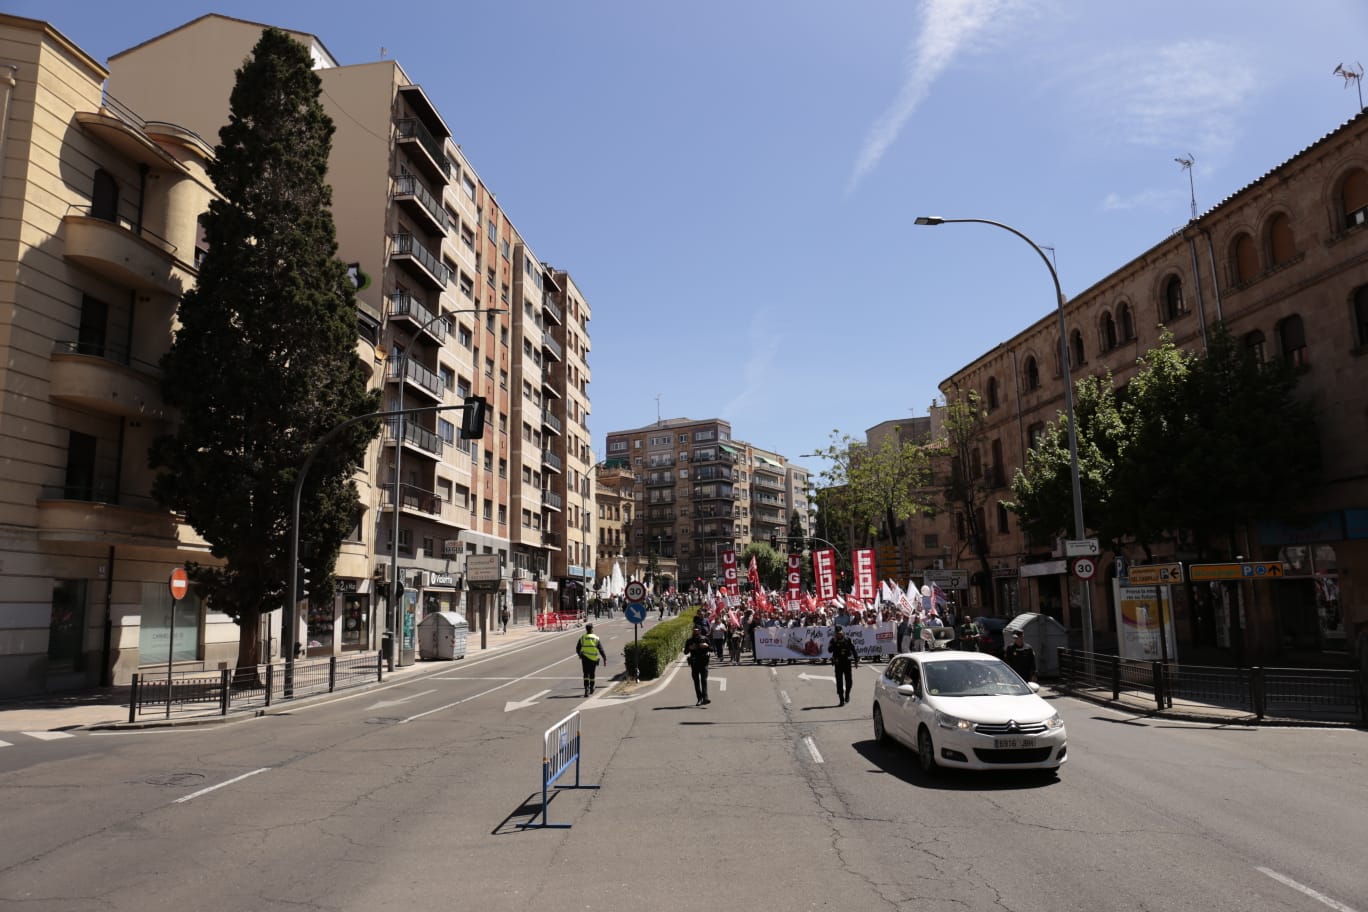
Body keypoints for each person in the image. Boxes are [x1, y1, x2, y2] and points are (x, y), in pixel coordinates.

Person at [827, 625, 861, 706]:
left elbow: (853, 650)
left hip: (847, 663)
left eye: (840, 633)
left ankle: (847, 694)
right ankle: (841, 699)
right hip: (838, 663)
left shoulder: (848, 639)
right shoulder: (833, 640)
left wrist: (856, 660)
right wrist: (834, 642)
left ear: (842, 632)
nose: (839, 634)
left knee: (849, 681)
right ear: (835, 633)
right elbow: (829, 650)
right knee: (839, 682)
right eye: (837, 633)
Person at [684, 623, 713, 705]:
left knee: (704, 680)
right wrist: (690, 648)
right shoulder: (689, 640)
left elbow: (712, 649)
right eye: (694, 630)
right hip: (694, 662)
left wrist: (706, 646)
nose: (696, 632)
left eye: (697, 630)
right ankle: (699, 698)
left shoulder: (705, 638)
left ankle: (705, 698)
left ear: (700, 631)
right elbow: (685, 652)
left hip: (704, 662)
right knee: (696, 681)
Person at [576, 623, 607, 697]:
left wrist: (580, 654)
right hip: (593, 659)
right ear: (592, 629)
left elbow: (577, 648)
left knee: (585, 674)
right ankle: (592, 688)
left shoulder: (582, 638)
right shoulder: (596, 638)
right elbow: (601, 649)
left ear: (586, 629)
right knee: (592, 674)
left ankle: (586, 689)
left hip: (585, 658)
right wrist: (604, 658)